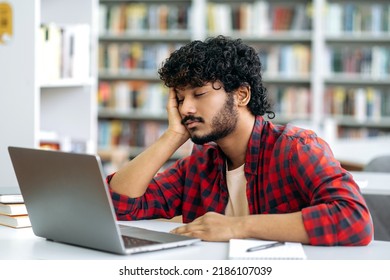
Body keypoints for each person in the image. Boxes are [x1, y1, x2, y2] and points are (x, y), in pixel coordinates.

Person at [108, 35, 373, 246]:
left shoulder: (296, 148)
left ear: (242, 95)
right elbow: (118, 205)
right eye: (179, 98)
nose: (185, 108)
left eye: (198, 94)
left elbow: (353, 219)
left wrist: (238, 226)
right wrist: (172, 136)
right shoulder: (201, 164)